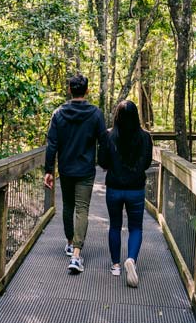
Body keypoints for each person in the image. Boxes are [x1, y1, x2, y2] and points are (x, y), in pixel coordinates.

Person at [44, 74, 107, 274]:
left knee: (68, 206)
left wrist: (49, 170)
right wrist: (105, 164)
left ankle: (71, 244)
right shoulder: (96, 114)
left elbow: (52, 144)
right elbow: (104, 141)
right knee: (82, 209)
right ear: (87, 90)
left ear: (70, 89)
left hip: (66, 169)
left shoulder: (58, 114)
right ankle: (77, 254)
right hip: (86, 170)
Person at [98, 100, 153, 287]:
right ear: (136, 116)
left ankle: (115, 265)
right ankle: (131, 259)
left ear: (117, 116)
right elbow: (146, 163)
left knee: (114, 225)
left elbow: (103, 162)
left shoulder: (108, 136)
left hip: (114, 188)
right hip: (136, 189)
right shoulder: (145, 137)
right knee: (136, 228)